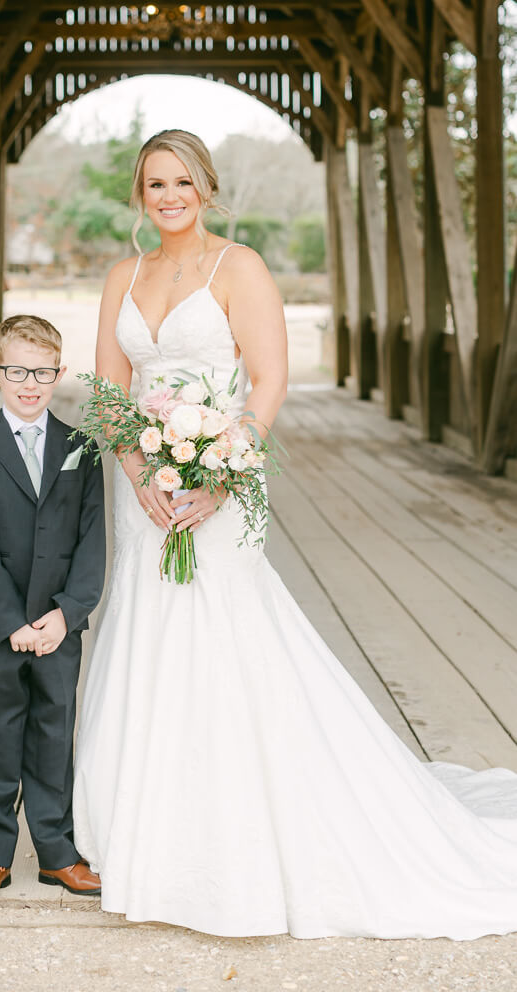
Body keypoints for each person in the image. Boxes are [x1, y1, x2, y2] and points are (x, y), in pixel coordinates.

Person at [72, 128, 517, 939]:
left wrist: (214, 475)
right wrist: (142, 478)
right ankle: (149, 828)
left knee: (225, 636)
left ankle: (238, 834)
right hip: (145, 492)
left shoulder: (238, 268)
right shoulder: (121, 276)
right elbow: (108, 390)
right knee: (148, 631)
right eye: (154, 184)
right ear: (140, 196)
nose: (168, 196)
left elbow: (268, 380)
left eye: (181, 182)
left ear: (206, 186)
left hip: (223, 484)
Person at [0, 314, 106, 904]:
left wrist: (68, 611)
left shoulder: (80, 449)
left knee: (52, 732)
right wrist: (11, 621)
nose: (30, 383)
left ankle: (57, 853)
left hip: (58, 625)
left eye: (43, 371)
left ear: (59, 373)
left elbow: (93, 538)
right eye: (18, 371)